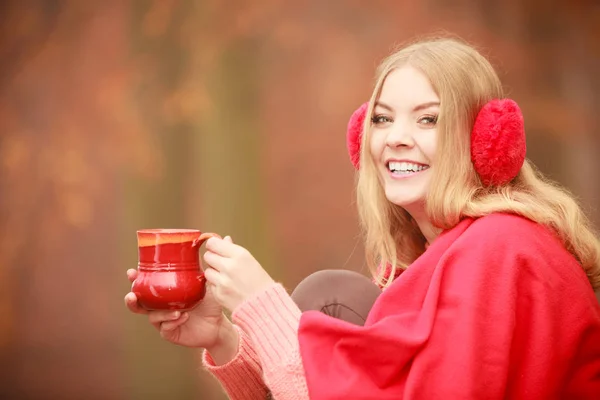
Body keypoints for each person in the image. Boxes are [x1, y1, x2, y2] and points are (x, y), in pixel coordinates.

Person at [124, 37, 600, 399]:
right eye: (383, 118)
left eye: (428, 119)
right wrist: (227, 338)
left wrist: (263, 303)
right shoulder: (436, 257)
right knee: (333, 298)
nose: (395, 138)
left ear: (485, 139)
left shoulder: (501, 247)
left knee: (325, 298)